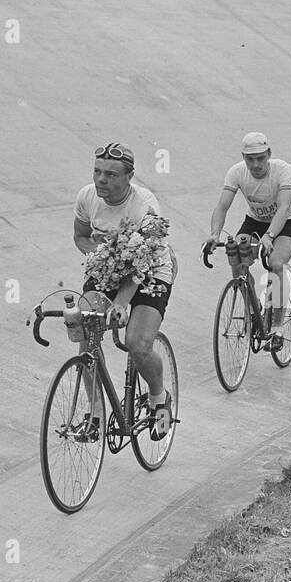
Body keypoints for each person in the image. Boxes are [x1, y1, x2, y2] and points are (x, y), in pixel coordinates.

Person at [73, 142, 175, 439]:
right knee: (87, 333)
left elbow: (141, 263)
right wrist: (100, 256)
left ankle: (159, 399)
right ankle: (94, 415)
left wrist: (120, 303)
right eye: (97, 171)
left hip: (151, 271)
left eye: (111, 174)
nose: (101, 180)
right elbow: (81, 236)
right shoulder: (87, 196)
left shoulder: (145, 205)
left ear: (129, 176)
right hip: (109, 270)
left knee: (137, 344)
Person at [203, 132, 291, 332]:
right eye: (250, 159)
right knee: (236, 256)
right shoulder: (236, 172)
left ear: (269, 154)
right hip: (255, 221)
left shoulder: (283, 170)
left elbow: (283, 207)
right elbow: (222, 206)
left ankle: (277, 325)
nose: (255, 165)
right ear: (243, 157)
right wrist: (215, 234)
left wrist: (269, 236)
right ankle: (253, 309)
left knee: (276, 264)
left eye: (260, 158)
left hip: (287, 221)